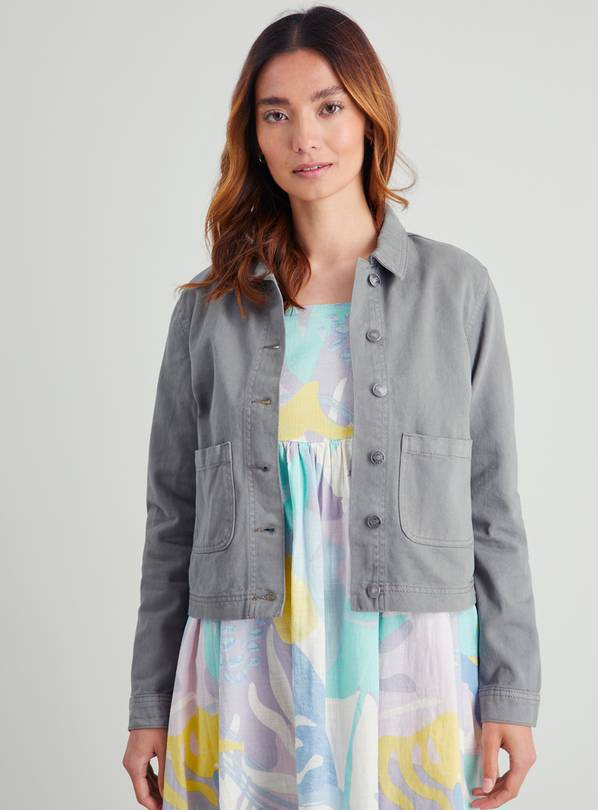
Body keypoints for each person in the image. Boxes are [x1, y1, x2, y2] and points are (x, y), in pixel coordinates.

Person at [122, 6, 541, 809]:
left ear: (369, 115)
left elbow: (493, 507)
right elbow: (171, 520)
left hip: (413, 664)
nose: (304, 138)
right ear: (253, 137)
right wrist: (148, 705)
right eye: (275, 115)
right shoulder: (209, 310)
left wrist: (511, 693)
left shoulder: (456, 290)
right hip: (245, 662)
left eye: (328, 107)